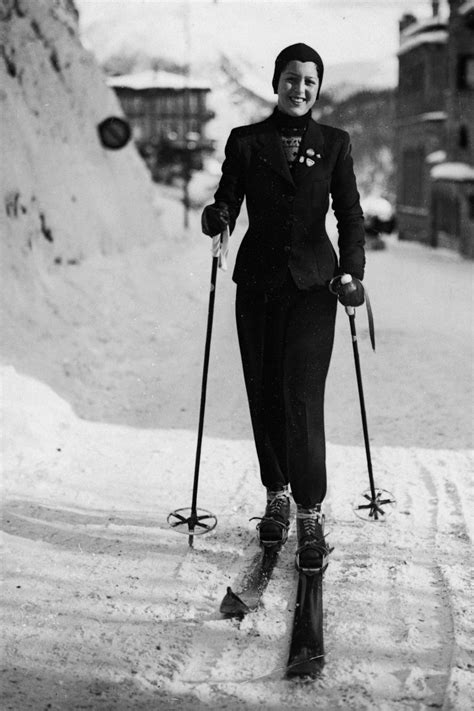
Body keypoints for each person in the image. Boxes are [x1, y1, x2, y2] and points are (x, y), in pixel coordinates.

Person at [201, 43, 365, 574]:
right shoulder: (247, 142)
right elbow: (229, 197)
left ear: (318, 89)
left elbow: (350, 213)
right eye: (291, 78)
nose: (300, 88)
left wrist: (352, 272)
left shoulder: (335, 144)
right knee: (264, 389)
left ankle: (310, 509)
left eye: (310, 81)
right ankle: (277, 493)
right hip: (258, 286)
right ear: (276, 82)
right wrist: (218, 213)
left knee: (302, 394)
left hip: (316, 286)